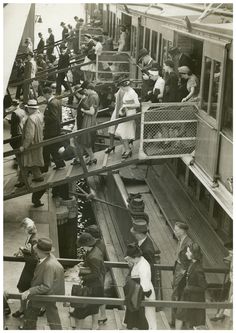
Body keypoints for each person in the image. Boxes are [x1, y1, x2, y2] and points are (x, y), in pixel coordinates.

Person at [22, 237, 65, 330]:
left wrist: (30, 291)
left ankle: (28, 329)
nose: (35, 252)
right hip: (52, 293)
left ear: (41, 252)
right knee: (52, 315)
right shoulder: (49, 258)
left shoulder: (48, 265)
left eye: (36, 251)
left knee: (31, 311)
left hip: (45, 294)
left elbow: (46, 286)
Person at [70, 233, 105, 330]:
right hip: (98, 284)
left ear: (86, 245)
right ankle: (95, 325)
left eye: (82, 246)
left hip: (94, 285)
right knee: (94, 306)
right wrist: (84, 264)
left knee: (83, 307)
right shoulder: (95, 250)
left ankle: (79, 328)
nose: (82, 247)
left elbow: (96, 273)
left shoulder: (93, 257)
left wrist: (82, 278)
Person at [12, 218, 46, 318]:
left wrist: (24, 253)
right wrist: (23, 250)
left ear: (27, 229)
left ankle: (23, 310)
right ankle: (40, 308)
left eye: (23, 228)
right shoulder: (33, 236)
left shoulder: (33, 240)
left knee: (23, 289)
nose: (23, 230)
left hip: (32, 270)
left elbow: (35, 258)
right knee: (27, 289)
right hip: (31, 268)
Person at [123, 243, 157, 329]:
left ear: (135, 257)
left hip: (142, 293)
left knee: (146, 317)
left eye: (130, 259)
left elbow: (145, 287)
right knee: (138, 315)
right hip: (136, 290)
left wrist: (138, 296)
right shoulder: (138, 260)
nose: (129, 260)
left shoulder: (143, 266)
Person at [175, 243, 207, 329]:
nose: (186, 253)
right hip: (187, 296)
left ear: (193, 254)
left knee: (187, 320)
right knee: (180, 316)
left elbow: (203, 287)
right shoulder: (192, 263)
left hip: (193, 298)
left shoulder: (198, 269)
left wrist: (189, 288)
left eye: (188, 252)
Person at [16, 100, 44, 187]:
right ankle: (38, 176)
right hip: (38, 141)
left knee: (24, 162)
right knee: (33, 161)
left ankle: (22, 181)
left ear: (30, 109)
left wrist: (24, 146)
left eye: (27, 108)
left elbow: (29, 135)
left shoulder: (31, 119)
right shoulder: (40, 115)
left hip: (31, 144)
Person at [170, 221, 193, 327]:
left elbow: (190, 260)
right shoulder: (180, 240)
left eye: (177, 230)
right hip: (178, 269)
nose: (175, 231)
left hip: (182, 271)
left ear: (183, 231)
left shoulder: (188, 243)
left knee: (176, 294)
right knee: (175, 293)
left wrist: (183, 273)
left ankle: (175, 321)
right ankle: (175, 319)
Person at [130, 218, 160, 296]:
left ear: (140, 234)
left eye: (135, 234)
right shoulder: (142, 240)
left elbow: (147, 269)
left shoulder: (147, 250)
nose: (134, 236)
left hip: (143, 283)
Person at [85, 225, 107, 324]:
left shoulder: (96, 247)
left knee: (98, 294)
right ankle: (103, 315)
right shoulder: (101, 243)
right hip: (100, 271)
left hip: (97, 274)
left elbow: (95, 260)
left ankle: (101, 315)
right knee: (100, 294)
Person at [115, 78, 140, 159]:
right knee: (120, 133)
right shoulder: (127, 92)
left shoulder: (132, 93)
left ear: (126, 86)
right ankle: (127, 148)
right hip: (125, 114)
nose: (121, 89)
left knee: (122, 133)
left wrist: (127, 106)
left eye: (122, 87)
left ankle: (127, 150)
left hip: (130, 114)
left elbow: (137, 104)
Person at [42, 87, 66, 171]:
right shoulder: (57, 101)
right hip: (56, 128)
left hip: (51, 130)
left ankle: (45, 167)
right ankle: (59, 163)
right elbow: (59, 116)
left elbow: (54, 117)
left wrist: (44, 117)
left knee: (45, 147)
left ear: (47, 94)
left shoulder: (51, 103)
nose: (44, 97)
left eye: (44, 95)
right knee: (53, 147)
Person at [79, 82, 99, 165]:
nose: (85, 92)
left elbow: (91, 112)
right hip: (91, 120)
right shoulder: (95, 95)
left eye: (86, 90)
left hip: (89, 120)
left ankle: (92, 157)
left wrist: (83, 111)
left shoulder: (92, 97)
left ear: (89, 89)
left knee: (85, 140)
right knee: (86, 141)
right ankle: (91, 157)